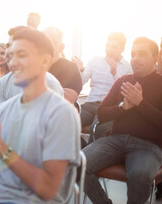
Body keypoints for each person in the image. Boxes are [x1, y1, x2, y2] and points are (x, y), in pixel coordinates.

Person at [0, 28, 80, 204]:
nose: (12, 63)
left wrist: (1, 147)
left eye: (22, 55)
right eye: (11, 55)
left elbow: (49, 189)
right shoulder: (3, 106)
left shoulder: (62, 112)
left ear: (44, 61)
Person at [83, 37, 162, 204]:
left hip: (148, 146)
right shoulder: (122, 81)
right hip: (115, 141)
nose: (135, 59)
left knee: (139, 176)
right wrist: (123, 107)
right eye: (133, 54)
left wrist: (140, 103)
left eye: (142, 54)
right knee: (76, 164)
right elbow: (102, 114)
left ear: (156, 58)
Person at [72, 32, 132, 137]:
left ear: (122, 49)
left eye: (113, 47)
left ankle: (87, 150)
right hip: (89, 105)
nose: (109, 49)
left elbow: (125, 91)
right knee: (68, 122)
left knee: (97, 130)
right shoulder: (95, 61)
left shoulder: (128, 67)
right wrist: (80, 70)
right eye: (107, 46)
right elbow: (81, 83)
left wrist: (115, 73)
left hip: (107, 107)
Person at [0, 26, 63, 104]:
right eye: (8, 46)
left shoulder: (50, 84)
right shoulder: (4, 82)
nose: (8, 51)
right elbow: (3, 115)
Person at [45, 27, 82, 104]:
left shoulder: (70, 68)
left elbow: (69, 100)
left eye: (52, 42)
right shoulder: (32, 66)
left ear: (61, 47)